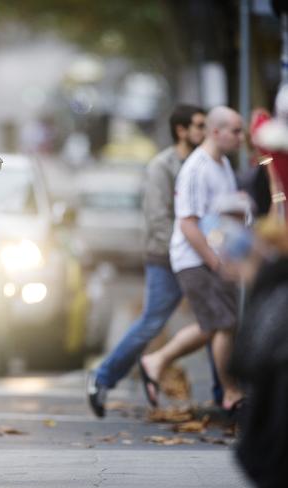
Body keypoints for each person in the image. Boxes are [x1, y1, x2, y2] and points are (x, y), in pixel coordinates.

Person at [86, 104, 207, 417]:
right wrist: (185, 254)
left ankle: (225, 393)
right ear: (181, 130)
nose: (204, 132)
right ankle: (103, 376)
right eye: (199, 126)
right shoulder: (162, 166)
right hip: (167, 257)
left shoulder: (203, 163)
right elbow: (157, 219)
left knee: (218, 321)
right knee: (153, 322)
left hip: (198, 255)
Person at [139, 106, 246, 414]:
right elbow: (187, 223)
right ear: (216, 132)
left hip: (215, 256)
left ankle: (156, 360)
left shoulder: (223, 164)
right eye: (236, 131)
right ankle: (230, 393)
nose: (242, 138)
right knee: (225, 324)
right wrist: (216, 262)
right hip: (196, 259)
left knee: (212, 325)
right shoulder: (197, 169)